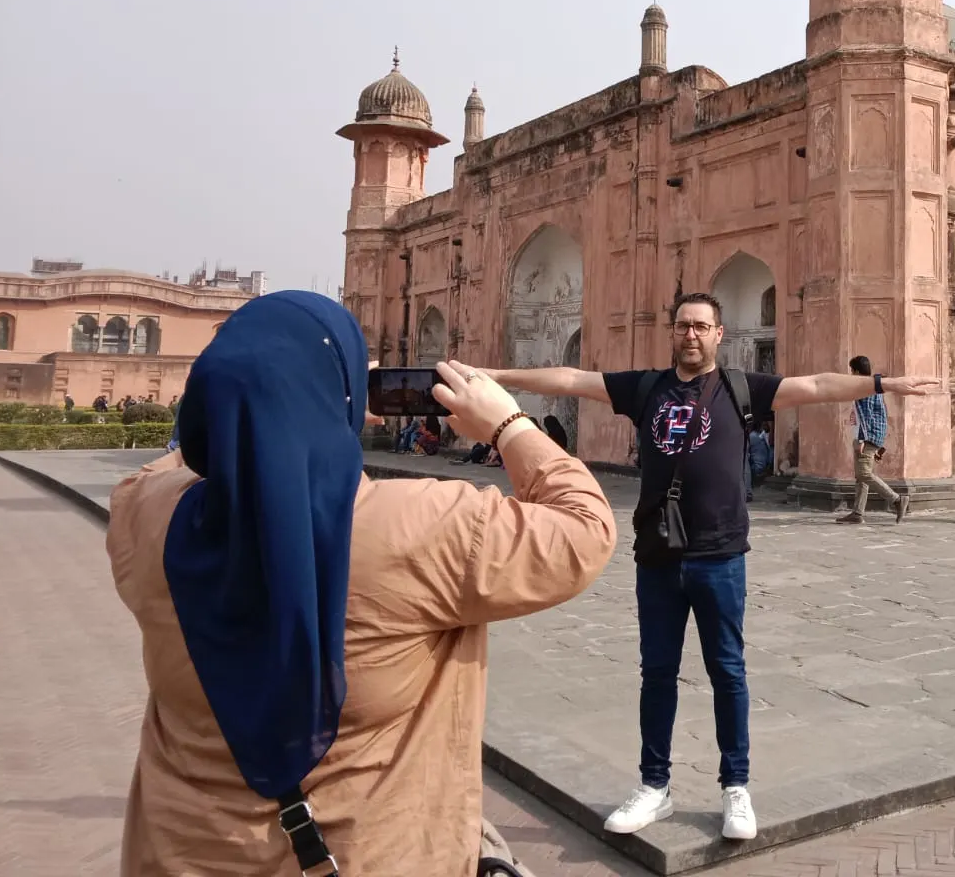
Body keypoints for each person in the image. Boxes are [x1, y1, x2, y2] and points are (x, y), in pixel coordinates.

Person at [105, 290, 617, 875]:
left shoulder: (147, 519)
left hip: (179, 854)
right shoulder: (426, 527)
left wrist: (257, 407)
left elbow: (162, 466)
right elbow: (585, 528)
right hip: (369, 853)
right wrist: (506, 423)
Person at [483, 292, 939, 843]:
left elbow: (817, 386)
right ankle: (655, 787)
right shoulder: (646, 387)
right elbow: (573, 380)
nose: (691, 335)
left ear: (719, 334)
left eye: (701, 326)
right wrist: (494, 375)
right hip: (657, 557)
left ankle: (735, 787)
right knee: (657, 673)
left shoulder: (742, 388)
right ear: (672, 333)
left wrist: (882, 384)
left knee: (727, 671)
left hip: (720, 556)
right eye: (682, 326)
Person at [837, 355, 908, 525]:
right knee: (861, 476)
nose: (851, 374)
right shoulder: (873, 386)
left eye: (852, 370)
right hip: (868, 435)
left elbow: (866, 415)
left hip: (867, 436)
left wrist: (862, 438)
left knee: (864, 473)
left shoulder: (865, 387)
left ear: (856, 371)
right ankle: (857, 512)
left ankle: (897, 499)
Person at [745, 421, 772, 501]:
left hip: (757, 467)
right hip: (764, 464)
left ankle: (747, 492)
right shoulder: (760, 436)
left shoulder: (751, 436)